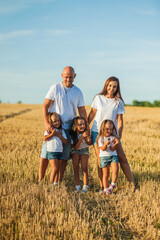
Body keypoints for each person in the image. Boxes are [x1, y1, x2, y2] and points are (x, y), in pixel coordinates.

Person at [39, 66, 88, 183]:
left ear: (75, 76)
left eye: (71, 77)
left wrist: (87, 127)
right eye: (66, 77)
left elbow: (82, 110)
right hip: (53, 126)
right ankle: (40, 180)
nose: (68, 79)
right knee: (45, 154)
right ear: (62, 76)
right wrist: (46, 123)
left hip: (69, 128)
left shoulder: (78, 92)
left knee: (64, 156)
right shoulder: (55, 88)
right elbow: (45, 106)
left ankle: (58, 181)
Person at [88, 76, 136, 192]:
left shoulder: (118, 102)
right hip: (97, 133)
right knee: (101, 160)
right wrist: (85, 130)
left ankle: (133, 185)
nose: (112, 88)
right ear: (106, 85)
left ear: (117, 88)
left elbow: (120, 120)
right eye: (110, 85)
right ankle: (103, 187)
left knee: (122, 158)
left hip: (112, 134)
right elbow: (91, 114)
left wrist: (118, 136)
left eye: (114, 86)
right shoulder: (98, 98)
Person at [96, 119, 119, 194]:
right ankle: (105, 188)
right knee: (106, 174)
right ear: (103, 128)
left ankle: (112, 185)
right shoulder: (100, 138)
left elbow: (112, 149)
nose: (109, 131)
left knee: (115, 170)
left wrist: (116, 144)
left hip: (113, 156)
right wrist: (105, 144)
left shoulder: (113, 137)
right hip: (104, 157)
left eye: (111, 129)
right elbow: (102, 149)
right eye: (107, 129)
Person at [43, 112, 67, 185]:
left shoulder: (62, 131)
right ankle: (51, 184)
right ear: (51, 122)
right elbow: (45, 138)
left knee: (58, 169)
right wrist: (52, 134)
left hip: (60, 151)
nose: (57, 123)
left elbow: (65, 141)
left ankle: (55, 183)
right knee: (55, 168)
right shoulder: (49, 131)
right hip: (52, 152)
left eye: (58, 121)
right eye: (55, 121)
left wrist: (60, 136)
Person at [70, 116, 92, 193]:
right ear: (75, 126)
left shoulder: (86, 132)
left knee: (84, 167)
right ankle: (77, 186)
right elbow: (75, 147)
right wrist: (82, 137)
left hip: (84, 150)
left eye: (83, 124)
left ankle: (85, 186)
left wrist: (87, 138)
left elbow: (89, 143)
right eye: (80, 125)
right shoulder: (73, 135)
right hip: (75, 151)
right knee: (75, 168)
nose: (82, 126)